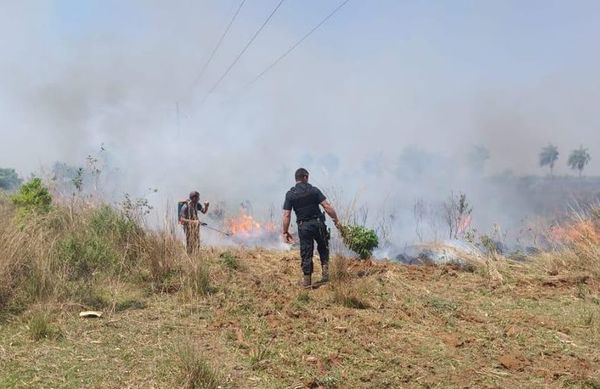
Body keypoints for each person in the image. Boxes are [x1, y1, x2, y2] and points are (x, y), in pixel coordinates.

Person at [282, 168, 341, 288]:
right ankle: (325, 273)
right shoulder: (314, 190)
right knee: (323, 247)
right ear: (304, 177)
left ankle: (307, 282)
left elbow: (286, 214)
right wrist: (336, 220)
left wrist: (285, 231)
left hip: (304, 227)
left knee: (306, 252)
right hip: (318, 223)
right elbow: (326, 206)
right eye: (307, 177)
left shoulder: (290, 194)